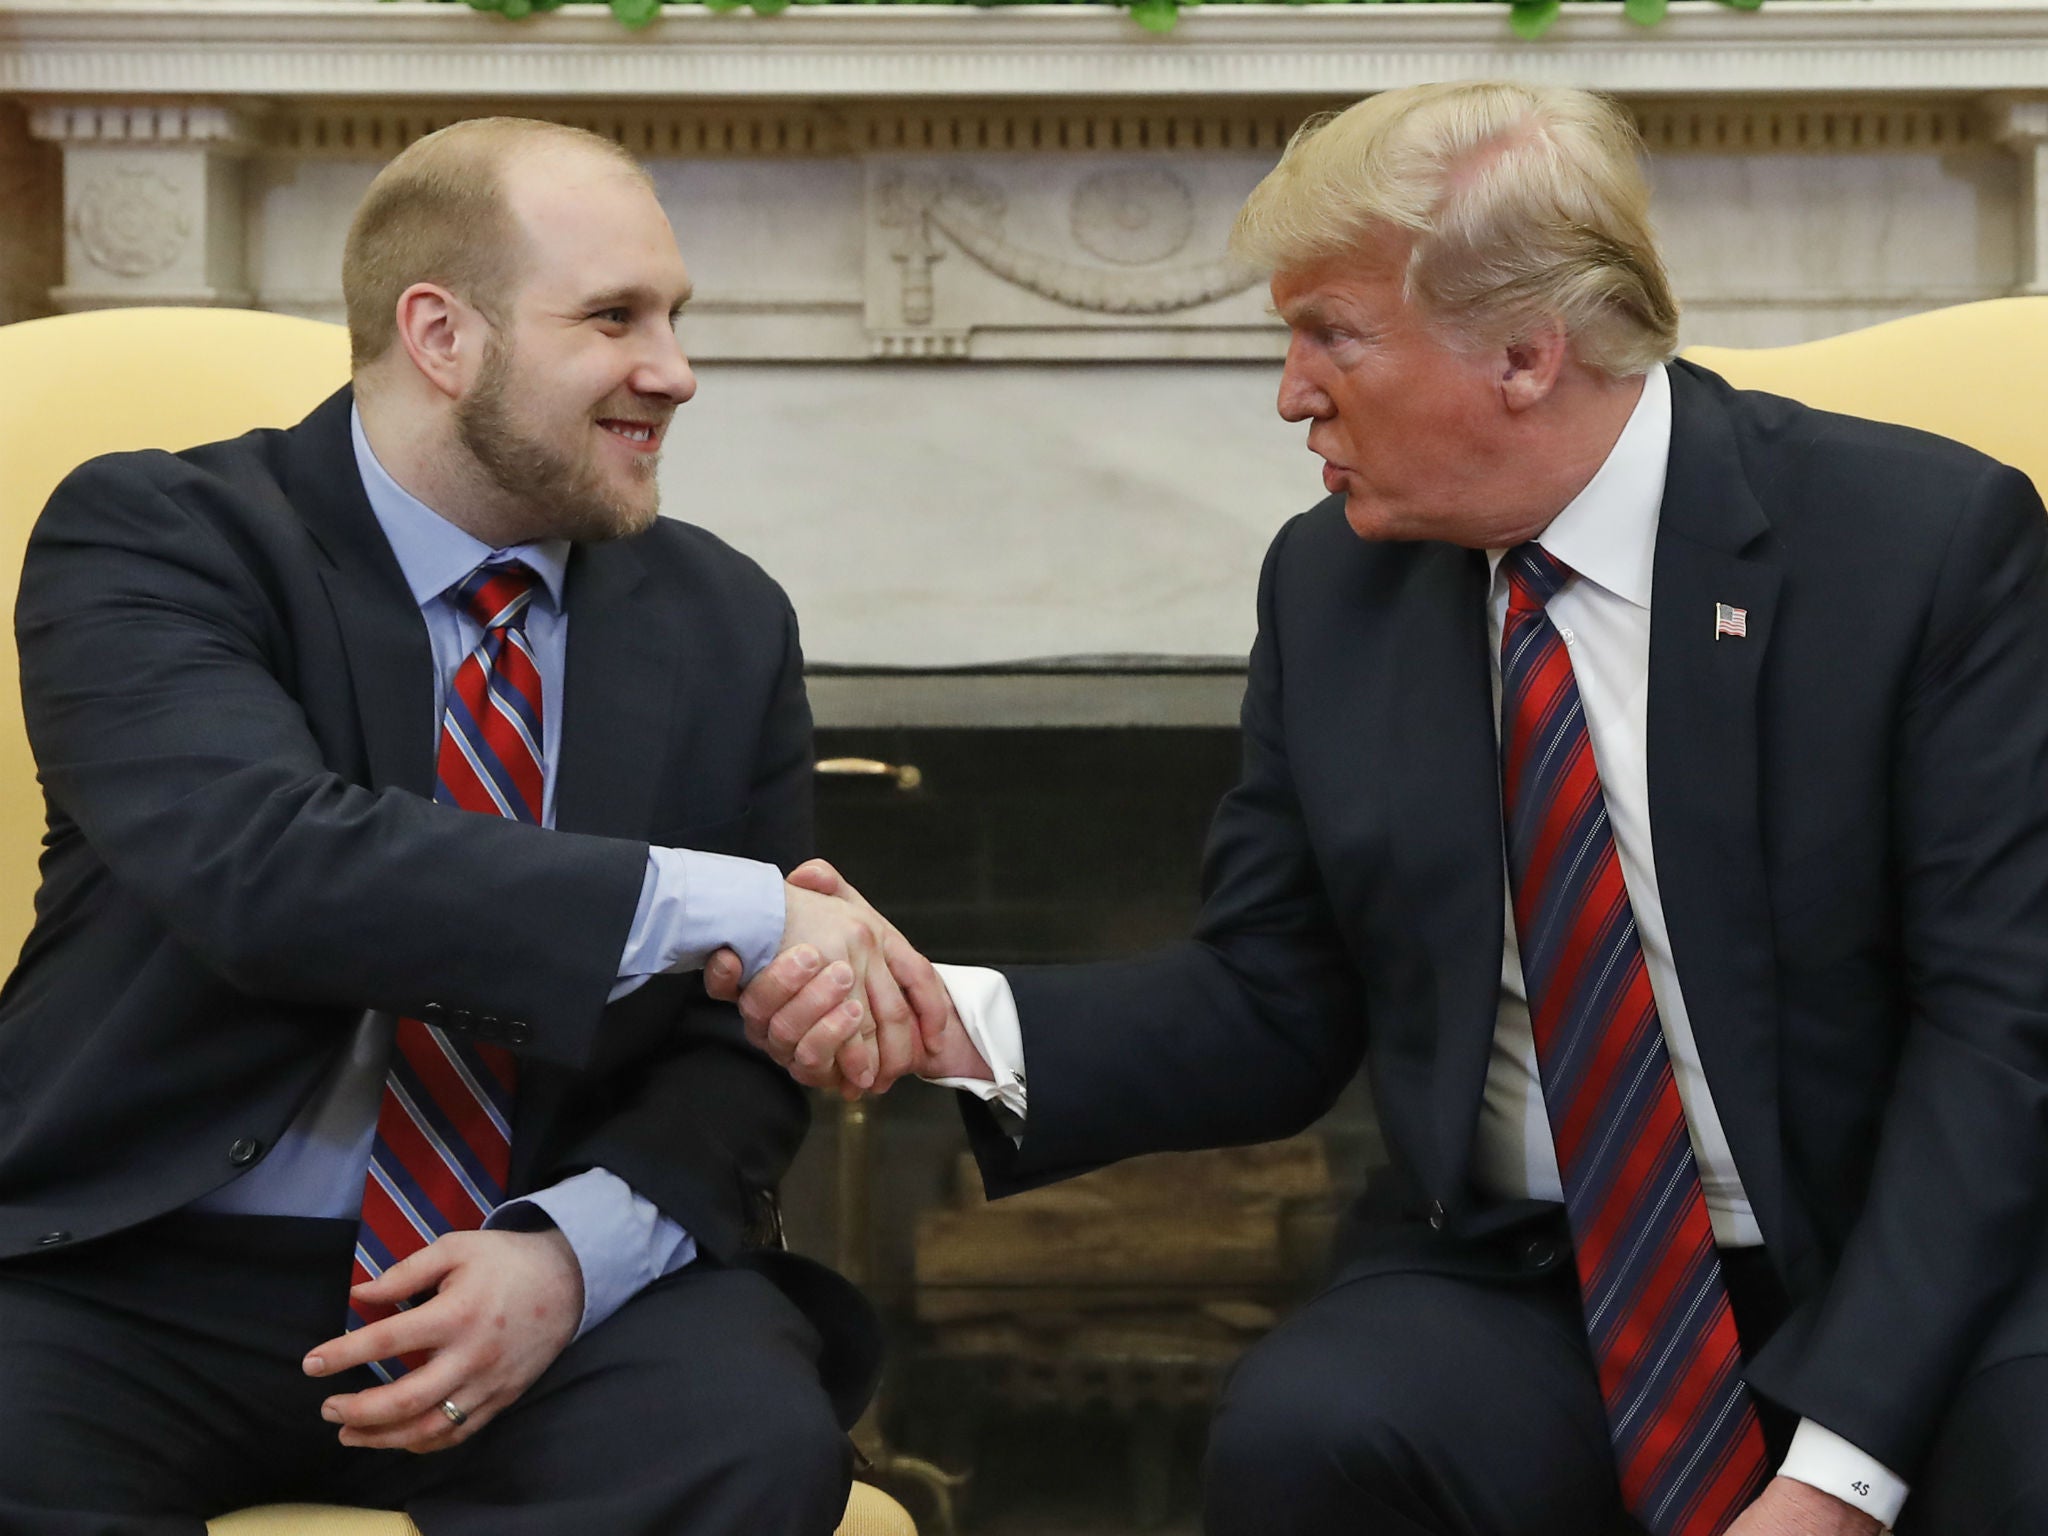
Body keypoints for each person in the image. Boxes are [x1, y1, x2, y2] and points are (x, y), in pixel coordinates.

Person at [714, 81, 2048, 1536]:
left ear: (1526, 355)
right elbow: (1270, 1001)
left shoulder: (1920, 546)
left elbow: (2000, 1032)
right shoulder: (1334, 585)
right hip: (1531, 1271)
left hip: (1897, 1251)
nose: (1291, 390)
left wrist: (1840, 1476)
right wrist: (943, 1016)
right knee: (1316, 1432)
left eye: (1330, 335)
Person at [0, 116, 914, 1535]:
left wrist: (574, 1253)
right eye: (614, 317)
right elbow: (272, 868)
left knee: (743, 1445)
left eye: (676, 317)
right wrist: (743, 908)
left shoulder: (722, 618)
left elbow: (737, 1039)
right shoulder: (160, 535)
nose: (674, 370)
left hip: (529, 1263)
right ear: (441, 333)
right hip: (134, 1262)